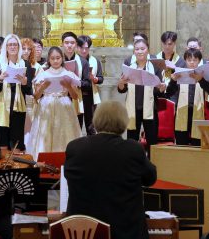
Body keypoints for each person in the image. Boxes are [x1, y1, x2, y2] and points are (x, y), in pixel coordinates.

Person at [65, 101, 157, 239]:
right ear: (123, 122)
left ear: (96, 120)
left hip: (84, 232)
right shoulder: (133, 149)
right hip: (126, 232)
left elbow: (69, 176)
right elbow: (151, 178)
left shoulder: (75, 148)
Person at [27, 47, 82, 159]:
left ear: (62, 58)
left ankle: (65, 160)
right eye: (52, 58)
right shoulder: (43, 74)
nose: (55, 61)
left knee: (64, 133)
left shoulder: (68, 74)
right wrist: (43, 87)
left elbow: (75, 96)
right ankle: (44, 159)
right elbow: (36, 97)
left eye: (58, 58)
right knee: (46, 133)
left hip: (64, 105)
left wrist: (68, 86)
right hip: (46, 105)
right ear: (49, 59)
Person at [118, 38, 166, 152]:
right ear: (134, 51)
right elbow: (122, 89)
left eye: (142, 49)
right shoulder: (128, 65)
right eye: (137, 49)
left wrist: (161, 88)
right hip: (133, 108)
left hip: (150, 108)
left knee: (152, 141)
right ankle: (133, 161)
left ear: (147, 50)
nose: (140, 51)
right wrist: (121, 83)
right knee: (132, 141)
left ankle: (151, 161)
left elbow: (158, 90)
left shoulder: (155, 67)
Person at [0, 34, 35, 150]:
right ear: (5, 47)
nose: (12, 47)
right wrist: (0, 79)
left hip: (18, 108)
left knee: (16, 142)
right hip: (2, 107)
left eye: (15, 44)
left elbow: (29, 90)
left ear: (19, 47)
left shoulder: (25, 64)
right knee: (2, 142)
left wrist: (24, 83)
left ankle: (16, 160)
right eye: (10, 44)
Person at [166, 48, 209, 146]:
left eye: (195, 60)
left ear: (199, 61)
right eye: (189, 60)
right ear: (185, 60)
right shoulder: (179, 73)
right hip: (182, 113)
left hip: (198, 113)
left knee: (197, 145)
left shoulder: (203, 74)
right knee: (181, 145)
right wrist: (173, 81)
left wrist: (201, 80)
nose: (192, 62)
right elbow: (169, 93)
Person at [61, 32, 92, 130]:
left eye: (72, 43)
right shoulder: (57, 60)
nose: (69, 45)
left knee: (76, 130)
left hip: (77, 100)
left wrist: (76, 82)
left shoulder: (83, 62)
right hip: (59, 100)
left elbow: (88, 84)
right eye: (66, 43)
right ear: (62, 44)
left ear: (76, 45)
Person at [77, 35, 103, 135]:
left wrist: (95, 79)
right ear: (77, 47)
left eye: (86, 48)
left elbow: (101, 78)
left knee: (91, 126)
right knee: (76, 124)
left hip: (90, 96)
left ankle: (91, 143)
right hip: (76, 96)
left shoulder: (95, 61)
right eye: (81, 48)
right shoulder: (74, 61)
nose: (84, 51)